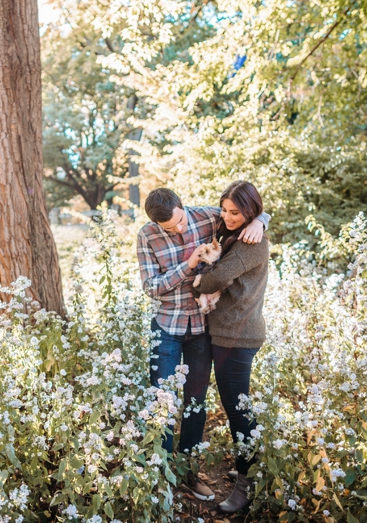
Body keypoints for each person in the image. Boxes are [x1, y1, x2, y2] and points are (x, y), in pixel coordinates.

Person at [136, 188, 270, 501]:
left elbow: (243, 211)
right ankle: (161, 478)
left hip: (200, 330)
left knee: (196, 403)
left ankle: (187, 472)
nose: (180, 229)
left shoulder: (207, 216)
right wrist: (189, 264)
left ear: (184, 207)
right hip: (167, 327)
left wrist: (261, 221)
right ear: (157, 225)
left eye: (181, 221)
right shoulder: (147, 236)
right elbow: (151, 287)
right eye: (171, 229)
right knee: (162, 403)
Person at [193, 180, 270, 514]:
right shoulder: (237, 232)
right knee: (235, 407)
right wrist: (260, 218)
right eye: (224, 210)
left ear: (250, 210)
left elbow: (212, 280)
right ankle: (248, 469)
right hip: (225, 332)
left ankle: (247, 483)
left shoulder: (251, 244)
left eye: (236, 212)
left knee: (239, 411)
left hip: (237, 337)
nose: (228, 216)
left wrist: (199, 270)